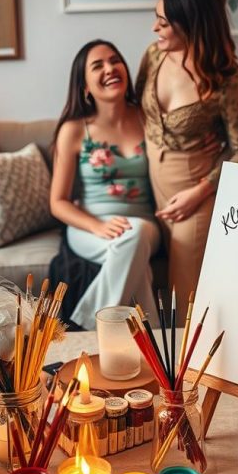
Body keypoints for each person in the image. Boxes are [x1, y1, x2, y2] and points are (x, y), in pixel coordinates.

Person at [136, 0, 238, 322]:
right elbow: (135, 106)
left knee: (185, 294)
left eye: (163, 22)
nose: (154, 28)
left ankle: (193, 357)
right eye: (156, 17)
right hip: (155, 186)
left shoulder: (226, 81)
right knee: (162, 289)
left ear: (190, 26)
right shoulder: (154, 56)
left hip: (197, 193)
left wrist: (200, 191)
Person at [50, 40, 161, 330]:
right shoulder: (74, 130)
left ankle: (87, 330)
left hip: (144, 224)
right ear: (85, 86)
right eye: (98, 66)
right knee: (138, 268)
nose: (110, 69)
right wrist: (97, 226)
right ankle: (153, 341)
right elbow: (58, 202)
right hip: (89, 226)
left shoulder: (149, 118)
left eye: (115, 60)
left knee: (135, 236)